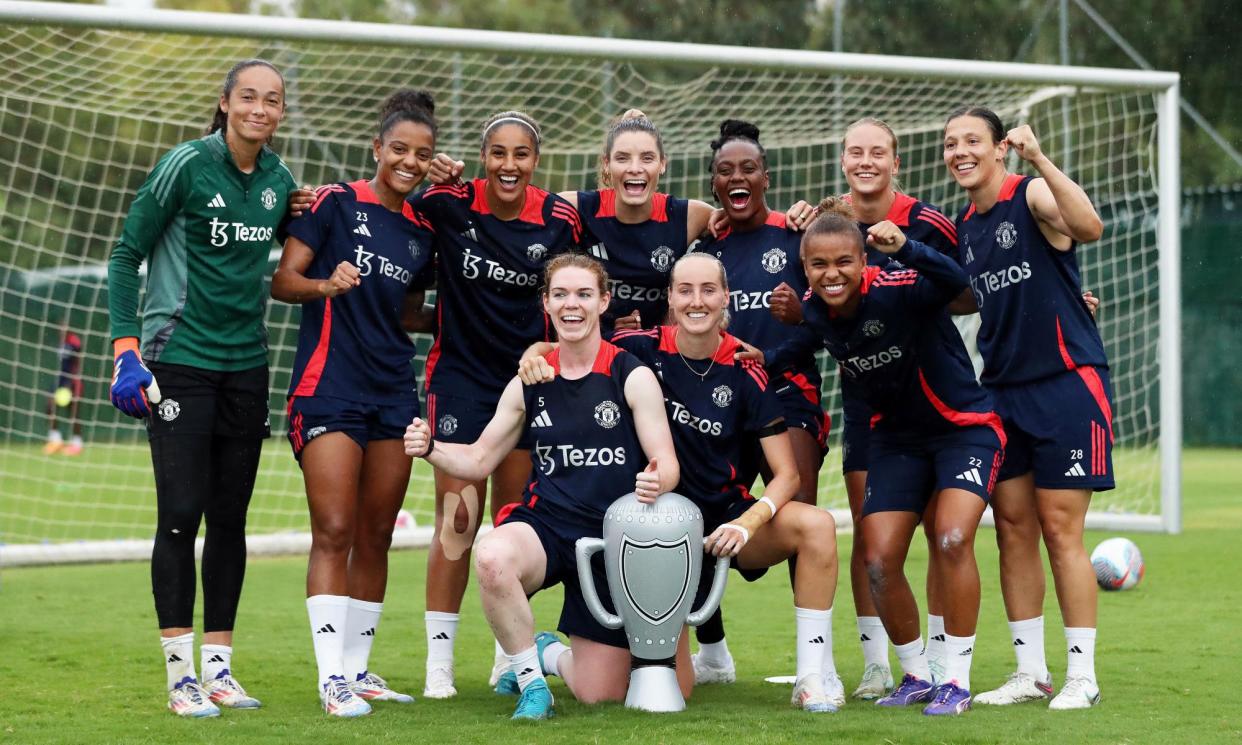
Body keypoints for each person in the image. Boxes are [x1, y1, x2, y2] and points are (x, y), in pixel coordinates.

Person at [517, 251, 843, 712]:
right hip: (650, 528)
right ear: (669, 298)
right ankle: (548, 652)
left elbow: (787, 474)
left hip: (718, 527)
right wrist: (534, 354)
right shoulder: (639, 349)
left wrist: (747, 524)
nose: (696, 301)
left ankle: (811, 679)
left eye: (708, 290)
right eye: (685, 290)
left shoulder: (746, 369)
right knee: (615, 690)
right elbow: (572, 339)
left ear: (724, 297)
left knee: (817, 525)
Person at [403, 254, 679, 720]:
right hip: (547, 527)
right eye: (561, 295)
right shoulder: (528, 382)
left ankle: (546, 651)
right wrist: (431, 447)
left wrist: (656, 479)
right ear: (546, 304)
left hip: (612, 538)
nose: (573, 305)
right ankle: (533, 686)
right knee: (491, 556)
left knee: (601, 693)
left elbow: (666, 462)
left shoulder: (630, 375)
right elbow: (479, 457)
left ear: (604, 301)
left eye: (584, 295)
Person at [106, 58, 297, 718]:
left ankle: (219, 669)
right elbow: (125, 254)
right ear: (224, 102)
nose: (261, 109)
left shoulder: (278, 182)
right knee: (181, 512)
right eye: (249, 96)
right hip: (178, 358)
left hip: (247, 365)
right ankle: (179, 675)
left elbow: (308, 232)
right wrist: (125, 349)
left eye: (272, 100)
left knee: (231, 521)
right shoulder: (186, 165)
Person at [774, 199, 1004, 715]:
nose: (832, 274)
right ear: (806, 268)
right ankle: (916, 675)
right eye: (819, 265)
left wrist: (907, 246)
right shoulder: (816, 309)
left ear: (863, 260)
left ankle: (957, 682)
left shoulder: (900, 285)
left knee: (951, 537)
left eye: (843, 262)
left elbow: (954, 282)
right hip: (897, 443)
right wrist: (749, 359)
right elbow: (793, 350)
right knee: (877, 560)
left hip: (964, 431)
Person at [271, 89, 439, 717]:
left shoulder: (423, 230)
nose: (409, 162)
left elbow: (407, 314)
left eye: (422, 154)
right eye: (399, 148)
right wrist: (325, 284)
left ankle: (359, 670)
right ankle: (329, 679)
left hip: (395, 392)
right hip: (329, 387)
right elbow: (284, 280)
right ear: (377, 148)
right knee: (334, 530)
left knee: (375, 535)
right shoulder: (334, 203)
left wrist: (462, 322)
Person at [406, 111, 582, 697]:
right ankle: (438, 665)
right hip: (459, 381)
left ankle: (510, 657)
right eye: (499, 153)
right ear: (484, 157)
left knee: (513, 525)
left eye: (522, 154)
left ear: (537, 160)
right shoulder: (450, 203)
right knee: (457, 523)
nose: (510, 164)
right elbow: (387, 200)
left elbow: (588, 282)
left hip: (529, 382)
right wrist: (429, 175)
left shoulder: (560, 218)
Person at [943, 107, 1111, 711]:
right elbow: (962, 297)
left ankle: (1082, 676)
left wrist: (1039, 156)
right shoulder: (965, 226)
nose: (960, 151)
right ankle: (1030, 672)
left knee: (1062, 531)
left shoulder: (1032, 192)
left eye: (972, 141)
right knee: (1013, 530)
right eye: (950, 144)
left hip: (1066, 386)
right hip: (1004, 394)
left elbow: (1088, 227)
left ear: (999, 150)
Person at [689, 119, 828, 683]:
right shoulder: (702, 248)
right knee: (688, 508)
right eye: (726, 171)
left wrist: (767, 357)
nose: (737, 177)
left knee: (800, 517)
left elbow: (825, 320)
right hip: (717, 403)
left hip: (786, 393)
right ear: (715, 184)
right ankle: (713, 652)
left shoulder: (798, 234)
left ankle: (812, 667)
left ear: (766, 177)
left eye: (748, 168)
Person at [835, 117, 961, 699]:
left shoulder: (926, 220)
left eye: (877, 152)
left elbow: (964, 288)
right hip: (866, 403)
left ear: (895, 162)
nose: (866, 161)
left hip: (932, 400)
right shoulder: (828, 226)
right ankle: (878, 665)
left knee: (941, 533)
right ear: (842, 161)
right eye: (856, 152)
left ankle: (938, 660)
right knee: (871, 537)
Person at [561, 109, 716, 332]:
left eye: (647, 158)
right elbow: (525, 205)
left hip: (659, 352)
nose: (635, 168)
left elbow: (744, 223)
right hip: (592, 348)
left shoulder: (691, 216)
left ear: (662, 164)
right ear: (606, 163)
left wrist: (786, 214)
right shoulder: (576, 208)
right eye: (622, 158)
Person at [44, 324, 84, 456]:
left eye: (64, 328)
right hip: (60, 381)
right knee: (49, 406)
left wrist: (70, 384)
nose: (62, 330)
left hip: (73, 381)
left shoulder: (75, 343)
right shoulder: (62, 343)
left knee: (73, 413)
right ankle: (56, 440)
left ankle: (77, 443)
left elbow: (76, 363)